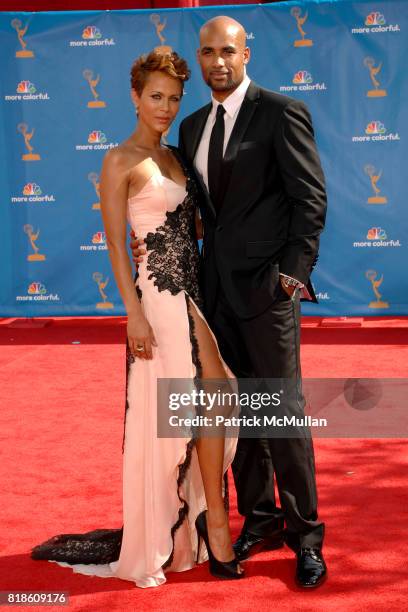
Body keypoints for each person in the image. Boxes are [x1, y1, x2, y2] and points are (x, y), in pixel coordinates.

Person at [31, 50, 244, 587]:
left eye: (173, 98)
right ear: (134, 96)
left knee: (205, 398)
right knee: (205, 390)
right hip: (157, 296)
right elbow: (115, 247)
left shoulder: (177, 155)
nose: (166, 107)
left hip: (191, 289)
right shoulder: (119, 160)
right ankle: (212, 522)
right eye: (155, 96)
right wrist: (132, 315)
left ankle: (206, 519)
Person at [131, 16, 328, 588]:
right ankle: (259, 518)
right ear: (201, 55)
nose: (219, 61)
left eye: (229, 51)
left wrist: (289, 278)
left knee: (283, 415)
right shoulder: (191, 126)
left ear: (247, 53)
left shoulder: (281, 112)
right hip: (212, 295)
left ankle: (305, 535)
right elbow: (201, 212)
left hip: (268, 295)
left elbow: (309, 200)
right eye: (209, 53)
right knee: (235, 419)